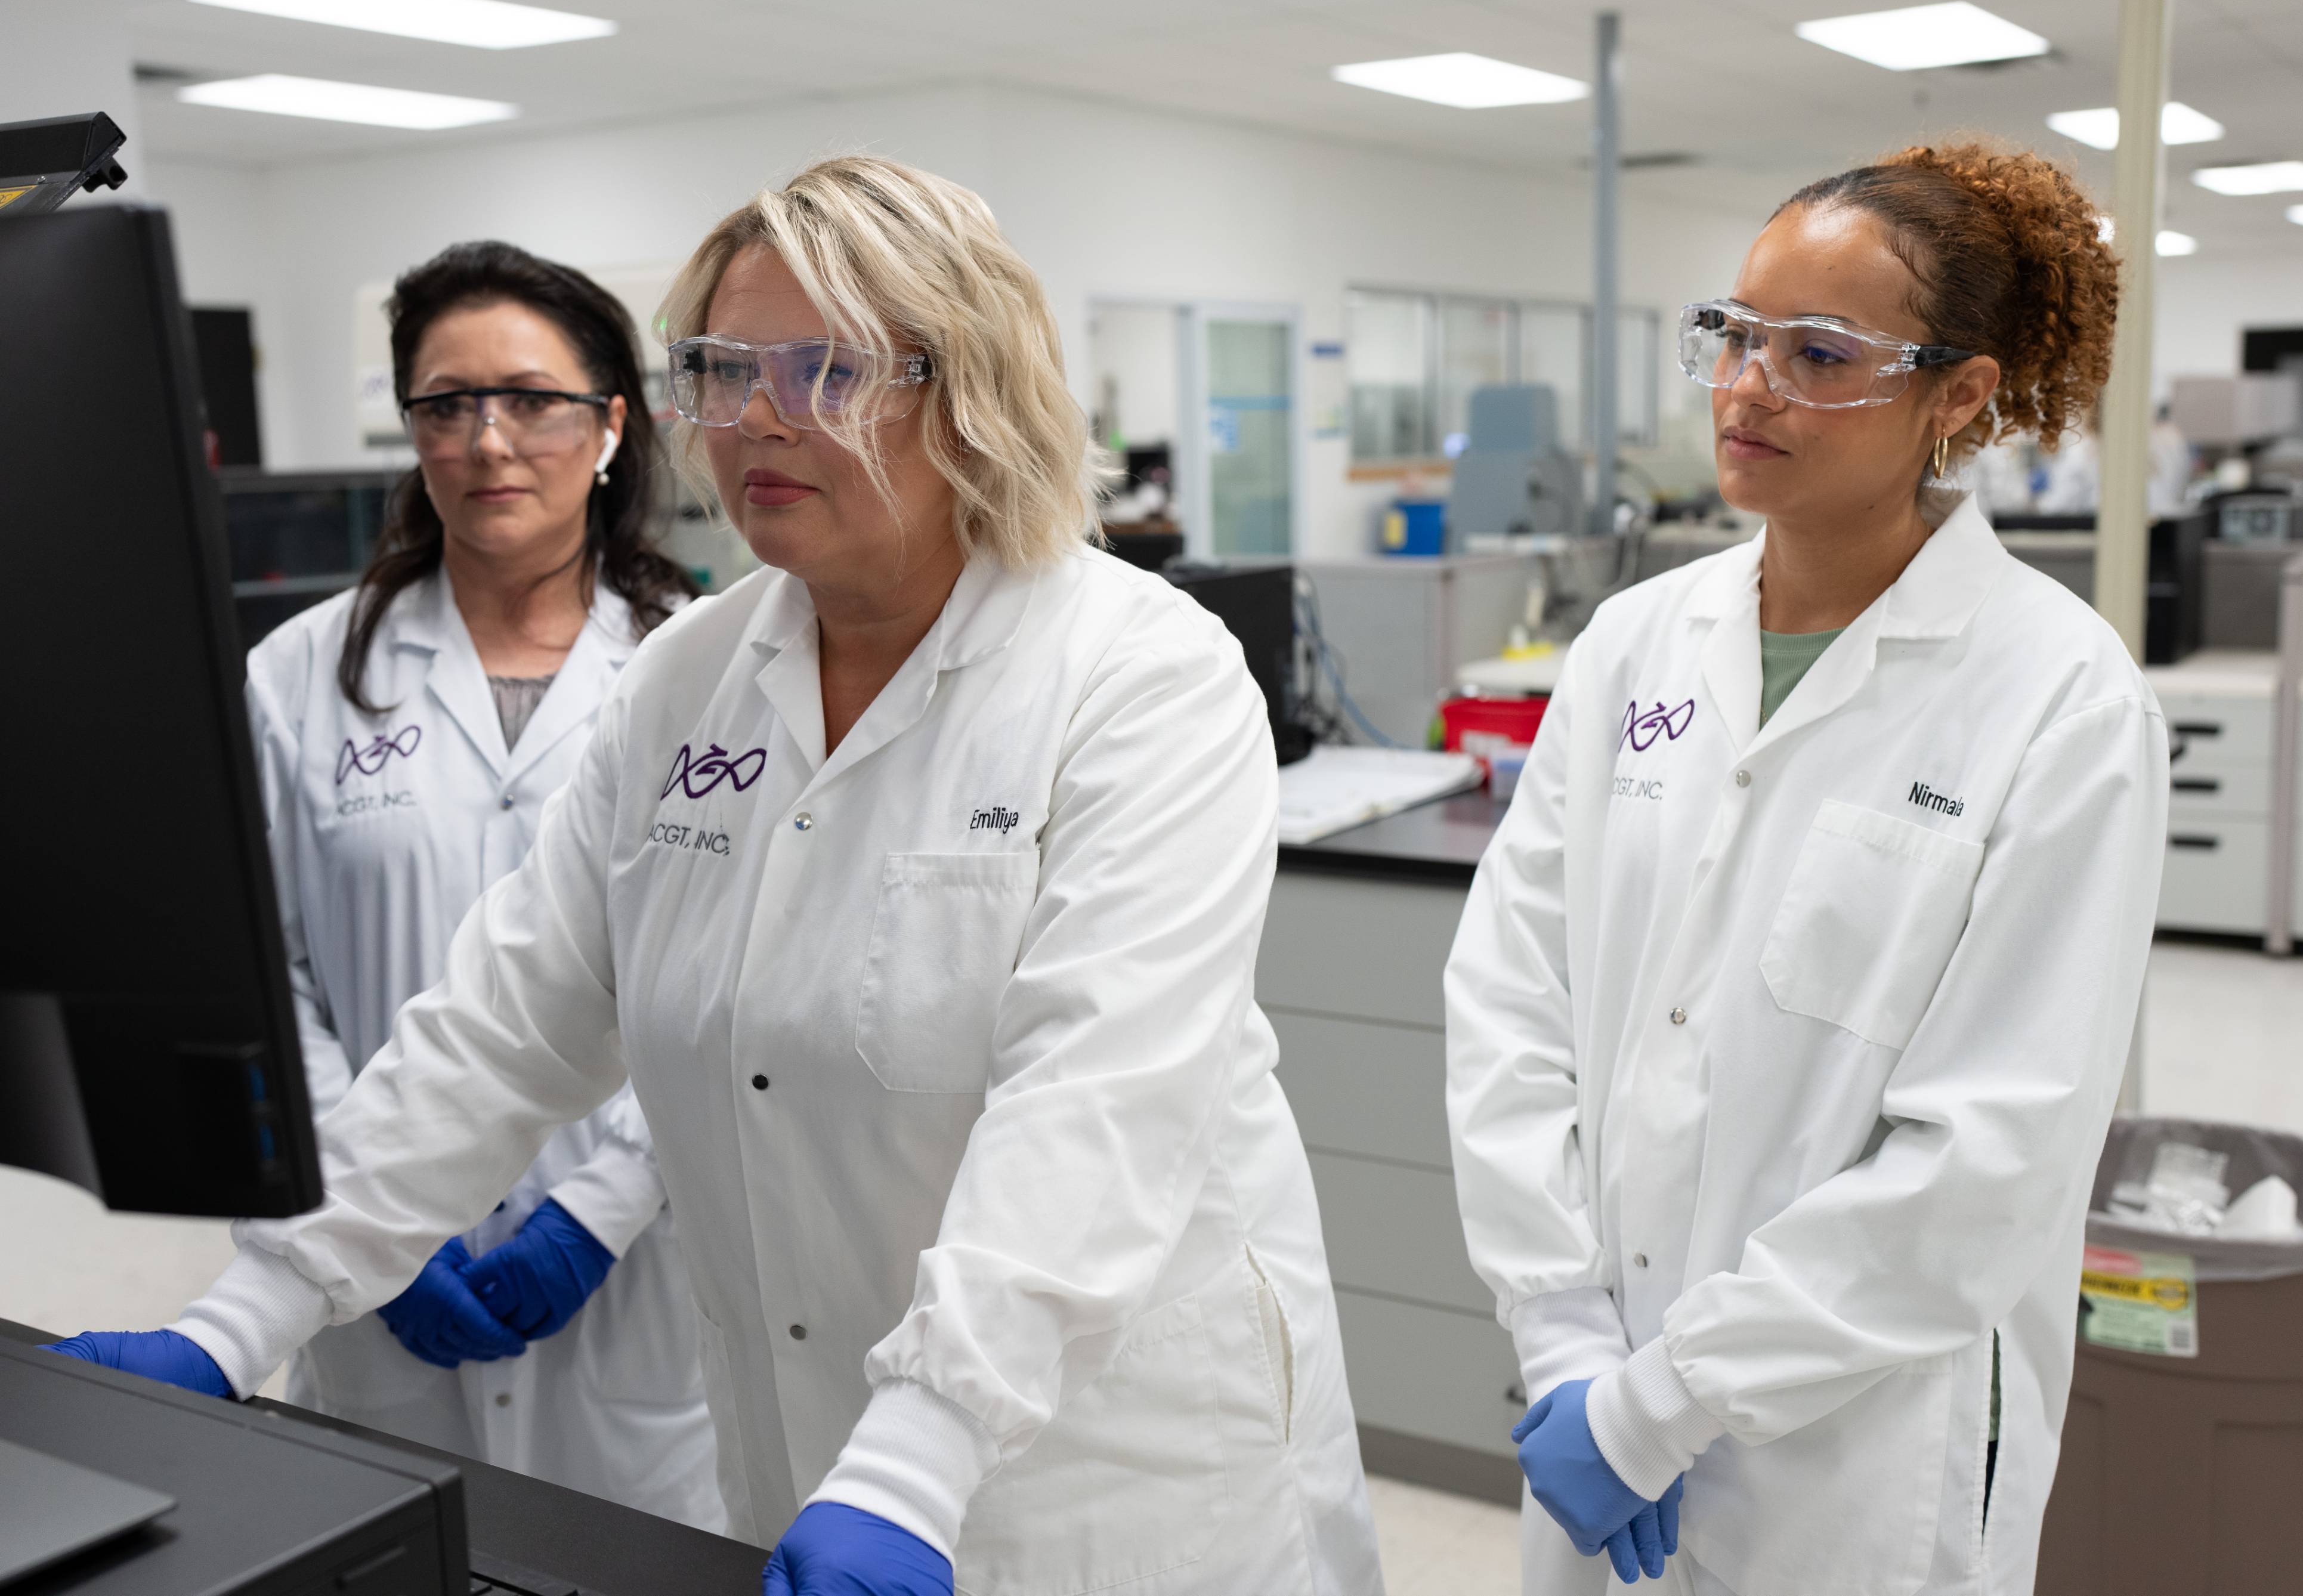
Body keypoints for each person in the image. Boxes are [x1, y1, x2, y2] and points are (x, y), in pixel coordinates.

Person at [52, 157, 1381, 1596]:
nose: (752, 415)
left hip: (1108, 1478)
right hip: (806, 1457)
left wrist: (921, 1452)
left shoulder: (1139, 676)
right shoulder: (688, 676)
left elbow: (1098, 1101)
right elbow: (503, 1026)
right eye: (722, 367)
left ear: (968, 385)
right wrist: (250, 1309)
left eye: (824, 369)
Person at [1445, 141, 2168, 1596]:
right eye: (1732, 334)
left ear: (1956, 397)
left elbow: (1988, 1162)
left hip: (1855, 1463)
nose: (1747, 386)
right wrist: (1570, 1342)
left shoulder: (2061, 700)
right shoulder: (1635, 644)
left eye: (1818, 353)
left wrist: (1670, 1403)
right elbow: (1510, 1007)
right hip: (1589, 1402)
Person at [261, 240, 717, 1525]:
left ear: (610, 423)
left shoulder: (710, 673)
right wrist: (368, 1217)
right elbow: (270, 977)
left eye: (532, 400)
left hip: (635, 1274)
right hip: (365, 1284)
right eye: (446, 405)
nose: (487, 440)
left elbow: (727, 982)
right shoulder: (301, 677)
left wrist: (600, 1210)